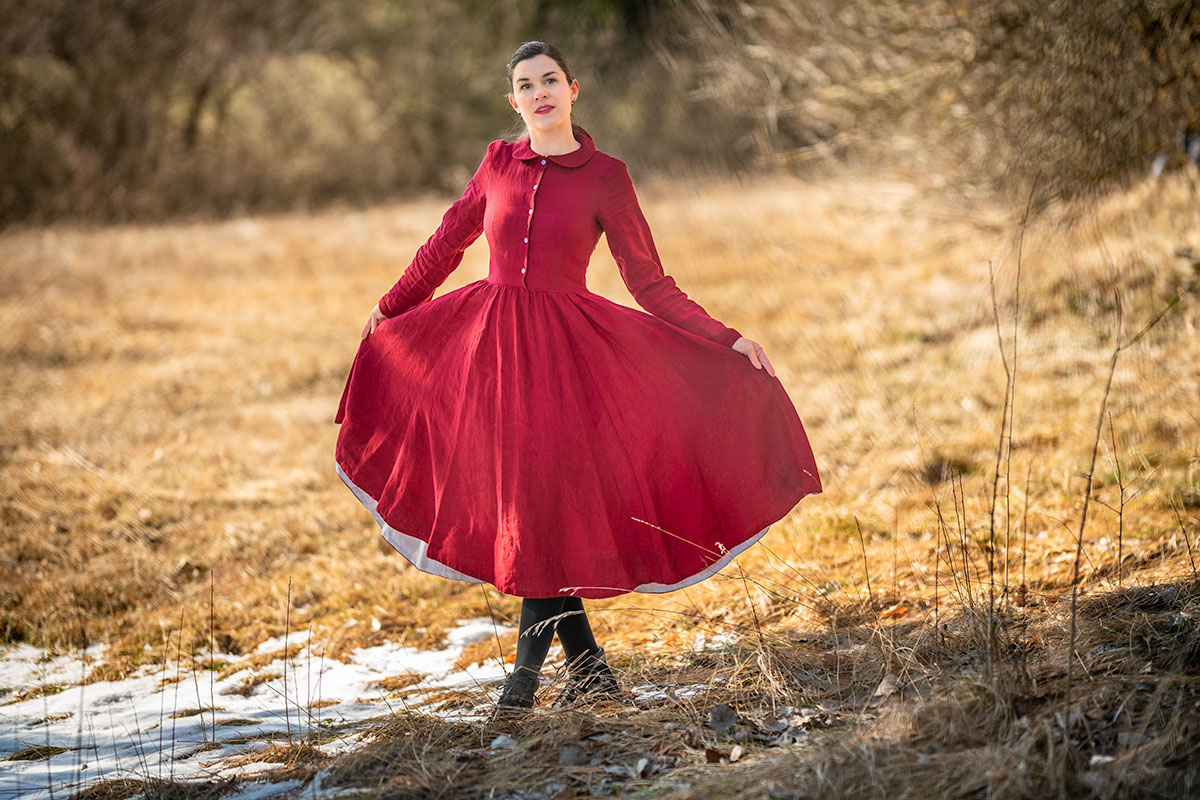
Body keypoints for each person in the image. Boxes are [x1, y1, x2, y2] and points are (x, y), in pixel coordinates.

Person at [333, 41, 822, 719]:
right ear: (514, 101)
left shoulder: (607, 177)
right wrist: (390, 308)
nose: (540, 93)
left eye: (550, 81)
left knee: (544, 514)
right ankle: (588, 671)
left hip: (567, 362)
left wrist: (726, 339)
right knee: (535, 513)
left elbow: (648, 281)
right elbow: (446, 244)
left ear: (573, 89)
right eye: (526, 85)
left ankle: (522, 689)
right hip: (493, 355)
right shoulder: (497, 163)